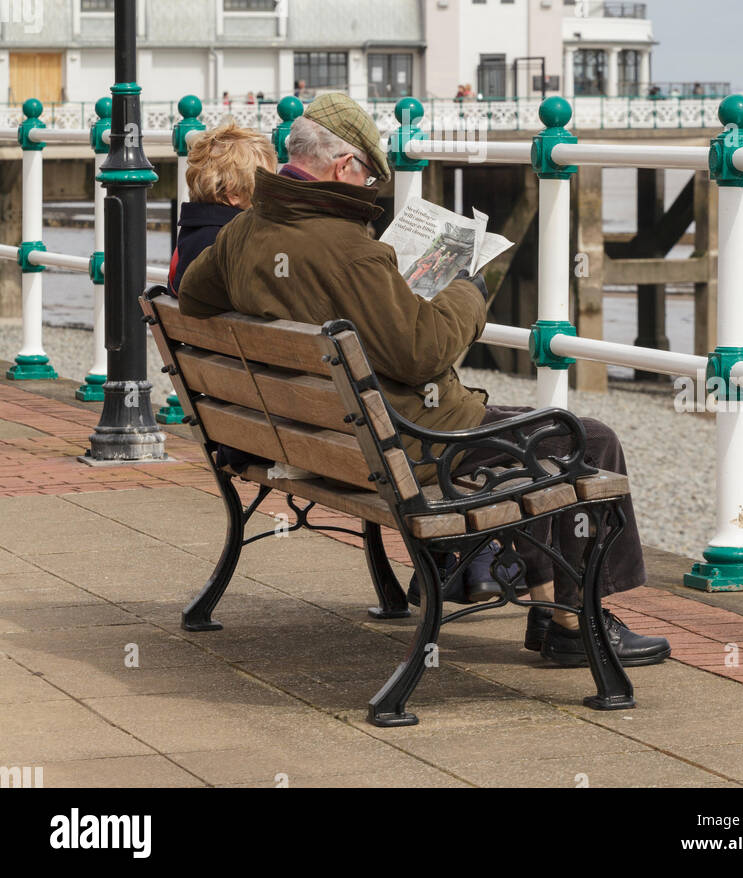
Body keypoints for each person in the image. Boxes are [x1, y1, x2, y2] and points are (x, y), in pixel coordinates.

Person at [178, 93, 668, 669]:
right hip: (408, 446)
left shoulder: (244, 232)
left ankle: (552, 614)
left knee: (545, 437)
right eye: (369, 179)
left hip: (309, 438)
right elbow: (421, 352)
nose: (369, 192)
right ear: (343, 167)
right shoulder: (351, 251)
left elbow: (192, 296)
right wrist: (467, 289)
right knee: (585, 438)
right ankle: (575, 623)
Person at [168, 118, 277, 296]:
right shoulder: (231, 242)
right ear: (233, 193)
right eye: (266, 183)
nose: (272, 190)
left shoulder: (193, 234)